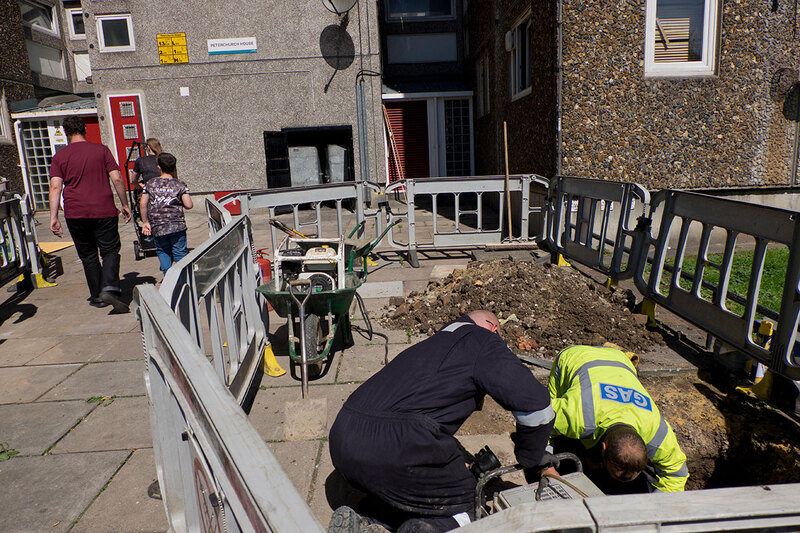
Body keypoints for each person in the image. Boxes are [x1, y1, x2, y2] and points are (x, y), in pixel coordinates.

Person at [328, 310, 555, 533]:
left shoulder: (431, 346)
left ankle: (369, 519)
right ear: (493, 327)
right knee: (466, 502)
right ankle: (426, 529)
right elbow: (538, 407)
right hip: (398, 447)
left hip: (343, 439)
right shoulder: (483, 340)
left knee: (410, 488)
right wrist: (531, 459)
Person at [547, 345, 688, 494]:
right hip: (574, 357)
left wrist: (654, 506)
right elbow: (539, 421)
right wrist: (547, 466)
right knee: (556, 433)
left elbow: (676, 474)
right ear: (603, 448)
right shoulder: (577, 415)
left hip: (621, 360)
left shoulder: (657, 433)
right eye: (618, 470)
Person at [49, 115, 131, 313]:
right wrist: (125, 203)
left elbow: (55, 186)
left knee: (88, 255)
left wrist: (54, 217)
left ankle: (97, 295)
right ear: (84, 129)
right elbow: (117, 178)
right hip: (103, 209)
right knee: (110, 249)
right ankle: (110, 287)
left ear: (66, 132)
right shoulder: (101, 150)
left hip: (75, 211)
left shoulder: (60, 157)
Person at [140, 152, 193, 275]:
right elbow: (189, 205)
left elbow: (143, 204)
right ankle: (182, 278)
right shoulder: (179, 184)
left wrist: (145, 222)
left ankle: (167, 277)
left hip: (158, 225)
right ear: (175, 168)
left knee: (162, 250)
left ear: (159, 167)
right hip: (177, 225)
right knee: (179, 252)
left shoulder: (150, 184)